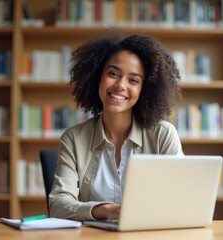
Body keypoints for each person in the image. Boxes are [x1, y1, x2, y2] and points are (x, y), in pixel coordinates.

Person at [49, 33, 184, 221]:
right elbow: (58, 205)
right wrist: (106, 211)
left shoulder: (163, 135)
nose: (120, 85)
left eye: (133, 80)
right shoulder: (73, 138)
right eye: (113, 74)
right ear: (98, 77)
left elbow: (180, 200)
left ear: (144, 89)